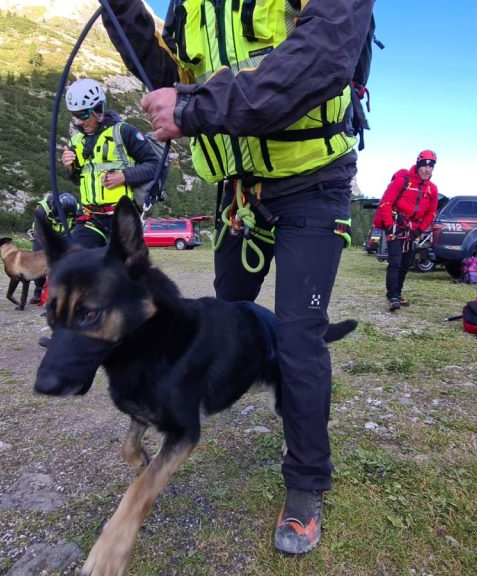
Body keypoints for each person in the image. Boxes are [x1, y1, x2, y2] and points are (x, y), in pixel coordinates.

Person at [100, 0, 375, 556]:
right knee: (223, 317)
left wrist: (196, 110)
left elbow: (322, 57)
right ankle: (184, 419)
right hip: (239, 194)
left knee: (298, 337)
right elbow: (171, 77)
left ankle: (305, 482)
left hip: (313, 183)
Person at [61, 78, 161, 245]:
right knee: (76, 264)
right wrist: (70, 168)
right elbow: (78, 179)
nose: (79, 121)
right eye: (75, 116)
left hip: (122, 218)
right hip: (89, 218)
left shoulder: (124, 132)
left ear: (98, 110)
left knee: (125, 268)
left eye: (83, 115)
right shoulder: (76, 141)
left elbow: (154, 166)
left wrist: (124, 176)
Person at [373, 150, 440, 311]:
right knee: (395, 262)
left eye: (431, 167)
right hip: (396, 227)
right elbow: (386, 203)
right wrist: (389, 225)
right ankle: (392, 296)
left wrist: (420, 230)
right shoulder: (402, 181)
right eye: (424, 166)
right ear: (418, 166)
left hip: (413, 230)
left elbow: (431, 212)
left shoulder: (432, 189)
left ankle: (398, 293)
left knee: (406, 263)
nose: (427, 170)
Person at [28, 192, 78, 303]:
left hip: (64, 236)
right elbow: (39, 231)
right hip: (42, 236)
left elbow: (78, 227)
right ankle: (38, 291)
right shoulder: (42, 208)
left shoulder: (76, 209)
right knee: (38, 263)